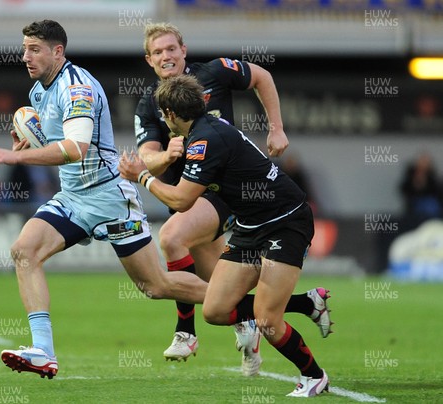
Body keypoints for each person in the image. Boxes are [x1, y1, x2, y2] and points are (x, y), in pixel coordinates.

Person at [0, 20, 212, 379]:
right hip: (73, 196)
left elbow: (76, 148)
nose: (26, 56)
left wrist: (15, 158)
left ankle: (249, 305)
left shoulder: (78, 88)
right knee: (24, 251)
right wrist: (31, 140)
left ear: (58, 52)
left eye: (35, 49)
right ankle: (43, 351)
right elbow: (58, 137)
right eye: (25, 48)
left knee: (156, 286)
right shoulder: (41, 90)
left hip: (108, 195)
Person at [134, 22, 330, 370]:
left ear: (183, 50)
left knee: (171, 237)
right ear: (149, 60)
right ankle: (300, 305)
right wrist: (165, 157)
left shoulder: (214, 71)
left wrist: (276, 127)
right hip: (198, 191)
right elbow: (147, 153)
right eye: (158, 52)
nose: (166, 56)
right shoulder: (150, 104)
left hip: (216, 192)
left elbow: (262, 77)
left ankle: (185, 331)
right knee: (218, 294)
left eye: (171, 49)